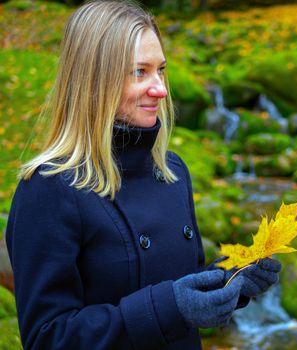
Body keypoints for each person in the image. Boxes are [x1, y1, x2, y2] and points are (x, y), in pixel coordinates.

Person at [5, 1, 282, 349]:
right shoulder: (49, 188)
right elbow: (47, 338)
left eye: (161, 70)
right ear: (95, 80)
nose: (161, 89)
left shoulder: (172, 171)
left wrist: (231, 279)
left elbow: (178, 285)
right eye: (140, 72)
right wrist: (169, 308)